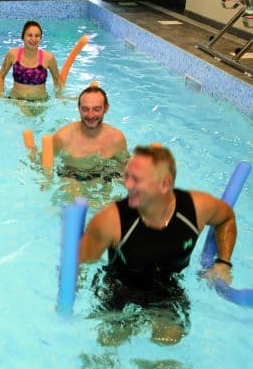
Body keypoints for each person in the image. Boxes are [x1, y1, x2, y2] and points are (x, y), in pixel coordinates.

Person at [78, 144, 236, 346]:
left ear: (164, 184)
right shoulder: (111, 220)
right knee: (110, 341)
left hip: (167, 286)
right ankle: (130, 326)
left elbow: (226, 219)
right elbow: (80, 261)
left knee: (169, 339)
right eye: (127, 177)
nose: (127, 185)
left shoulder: (197, 208)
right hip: (119, 286)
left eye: (138, 180)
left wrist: (223, 262)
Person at [52, 85, 128, 183]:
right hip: (72, 179)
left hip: (102, 177)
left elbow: (123, 169)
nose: (91, 115)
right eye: (85, 109)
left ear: (106, 108)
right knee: (75, 191)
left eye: (96, 109)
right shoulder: (62, 138)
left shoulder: (116, 139)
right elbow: (43, 165)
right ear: (79, 108)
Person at [0, 20, 63, 102]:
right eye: (30, 35)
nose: (33, 39)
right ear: (23, 37)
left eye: (37, 36)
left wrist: (59, 98)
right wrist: (0, 95)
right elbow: (1, 76)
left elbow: (57, 79)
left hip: (40, 103)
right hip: (16, 101)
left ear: (40, 38)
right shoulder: (12, 54)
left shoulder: (48, 57)